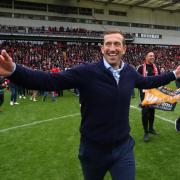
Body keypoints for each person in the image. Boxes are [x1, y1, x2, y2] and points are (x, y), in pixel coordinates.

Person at [0, 30, 180, 180]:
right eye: (108, 44)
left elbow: (148, 82)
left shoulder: (130, 72)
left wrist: (174, 74)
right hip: (93, 151)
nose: (112, 48)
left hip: (123, 149)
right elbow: (49, 81)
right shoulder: (86, 72)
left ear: (124, 49)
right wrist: (14, 71)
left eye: (117, 44)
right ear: (102, 48)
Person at [137, 51, 160, 142]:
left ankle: (151, 128)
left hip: (154, 94)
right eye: (150, 56)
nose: (152, 57)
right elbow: (137, 80)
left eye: (153, 56)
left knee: (152, 111)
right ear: (146, 57)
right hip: (144, 94)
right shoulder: (141, 67)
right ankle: (146, 132)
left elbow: (159, 79)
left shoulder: (156, 67)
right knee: (145, 112)